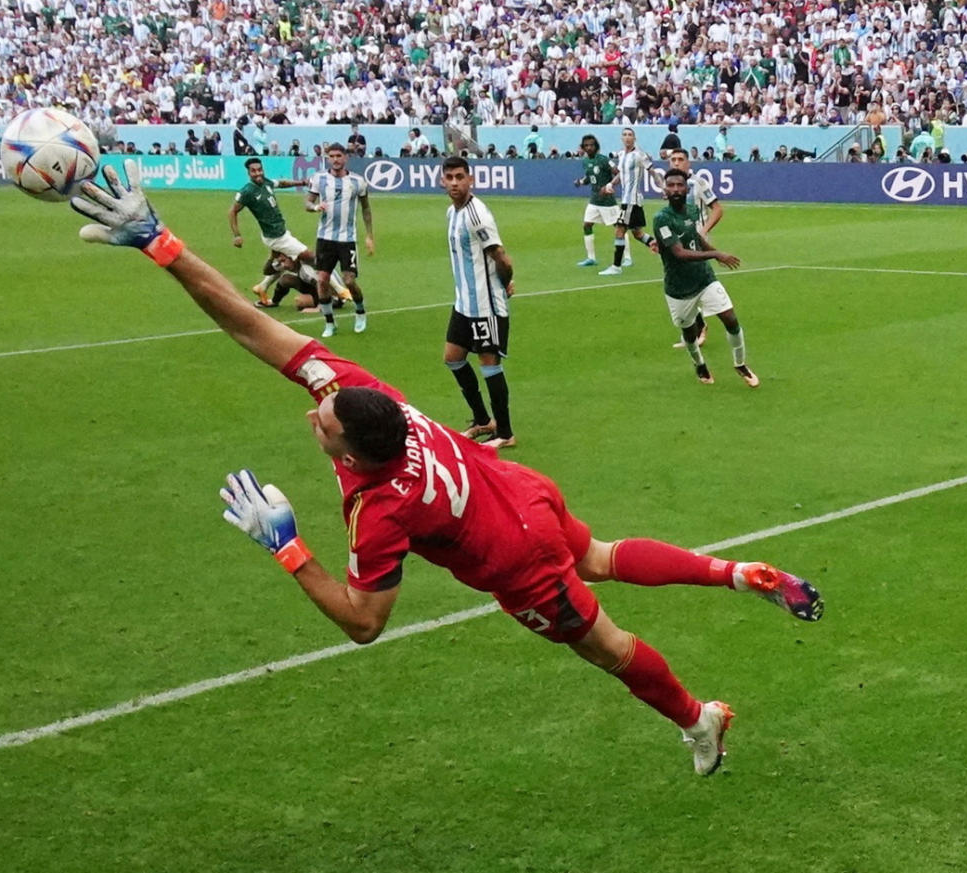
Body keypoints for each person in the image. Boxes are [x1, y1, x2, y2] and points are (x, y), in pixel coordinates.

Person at [69, 160, 825, 777]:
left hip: (518, 559)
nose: (313, 413)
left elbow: (365, 622)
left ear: (354, 453)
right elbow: (249, 321)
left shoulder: (378, 507)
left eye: (323, 423)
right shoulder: (368, 395)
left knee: (612, 647)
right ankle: (738, 572)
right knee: (597, 554)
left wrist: (288, 548)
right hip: (523, 494)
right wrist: (160, 244)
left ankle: (702, 719)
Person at [654, 168, 759, 388]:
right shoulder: (661, 219)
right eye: (670, 185)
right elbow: (680, 253)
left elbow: (696, 240)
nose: (675, 189)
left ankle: (740, 364)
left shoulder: (692, 211)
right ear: (664, 189)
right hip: (679, 288)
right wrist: (716, 254)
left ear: (686, 188)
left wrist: (714, 252)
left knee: (730, 318)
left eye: (679, 185)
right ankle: (699, 363)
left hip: (704, 278)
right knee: (690, 333)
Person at [442, 157, 516, 450]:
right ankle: (483, 419)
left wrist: (505, 281)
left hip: (486, 305)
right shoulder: (452, 213)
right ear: (443, 181)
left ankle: (505, 432)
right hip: (464, 303)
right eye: (449, 177)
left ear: (470, 179)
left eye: (460, 176)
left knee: (489, 364)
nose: (455, 183)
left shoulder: (477, 215)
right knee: (452, 358)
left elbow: (501, 256)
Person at [305, 143, 375, 336]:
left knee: (349, 281)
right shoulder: (319, 179)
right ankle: (329, 323)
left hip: (347, 239)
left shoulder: (357, 182)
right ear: (328, 158)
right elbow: (308, 202)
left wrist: (369, 235)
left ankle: (360, 312)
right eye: (332, 156)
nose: (335, 160)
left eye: (339, 156)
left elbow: (366, 208)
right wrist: (314, 208)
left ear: (345, 158)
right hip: (324, 238)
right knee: (322, 280)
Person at [228, 157, 317, 306]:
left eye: (259, 170)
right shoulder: (247, 191)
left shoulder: (266, 183)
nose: (257, 173)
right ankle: (338, 291)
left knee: (279, 264)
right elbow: (232, 211)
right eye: (253, 171)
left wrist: (301, 182)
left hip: (279, 231)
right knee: (311, 257)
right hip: (276, 236)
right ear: (248, 173)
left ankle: (263, 287)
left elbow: (281, 183)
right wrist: (237, 235)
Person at [666, 148, 724, 349]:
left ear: (688, 162)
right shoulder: (672, 186)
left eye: (680, 159)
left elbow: (717, 209)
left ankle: (700, 327)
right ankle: (697, 327)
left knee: (694, 285)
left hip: (696, 245)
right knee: (684, 287)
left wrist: (704, 230)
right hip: (676, 245)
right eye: (673, 159)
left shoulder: (698, 183)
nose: (676, 163)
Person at [599, 128, 659, 277]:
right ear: (621, 138)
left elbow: (653, 172)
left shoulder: (639, 155)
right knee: (638, 234)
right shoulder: (622, 155)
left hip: (631, 200)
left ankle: (616, 266)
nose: (627, 137)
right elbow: (621, 174)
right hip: (628, 200)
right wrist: (611, 184)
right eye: (625, 135)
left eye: (630, 135)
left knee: (619, 231)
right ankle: (665, 248)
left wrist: (664, 187)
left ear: (635, 138)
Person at [572, 134, 618, 268]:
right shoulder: (586, 161)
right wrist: (580, 182)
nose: (589, 147)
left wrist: (610, 185)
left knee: (619, 228)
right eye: (586, 145)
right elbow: (589, 177)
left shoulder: (603, 160)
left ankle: (627, 258)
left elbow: (618, 172)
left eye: (591, 145)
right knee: (587, 225)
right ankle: (591, 258)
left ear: (596, 146)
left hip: (607, 201)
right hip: (594, 200)